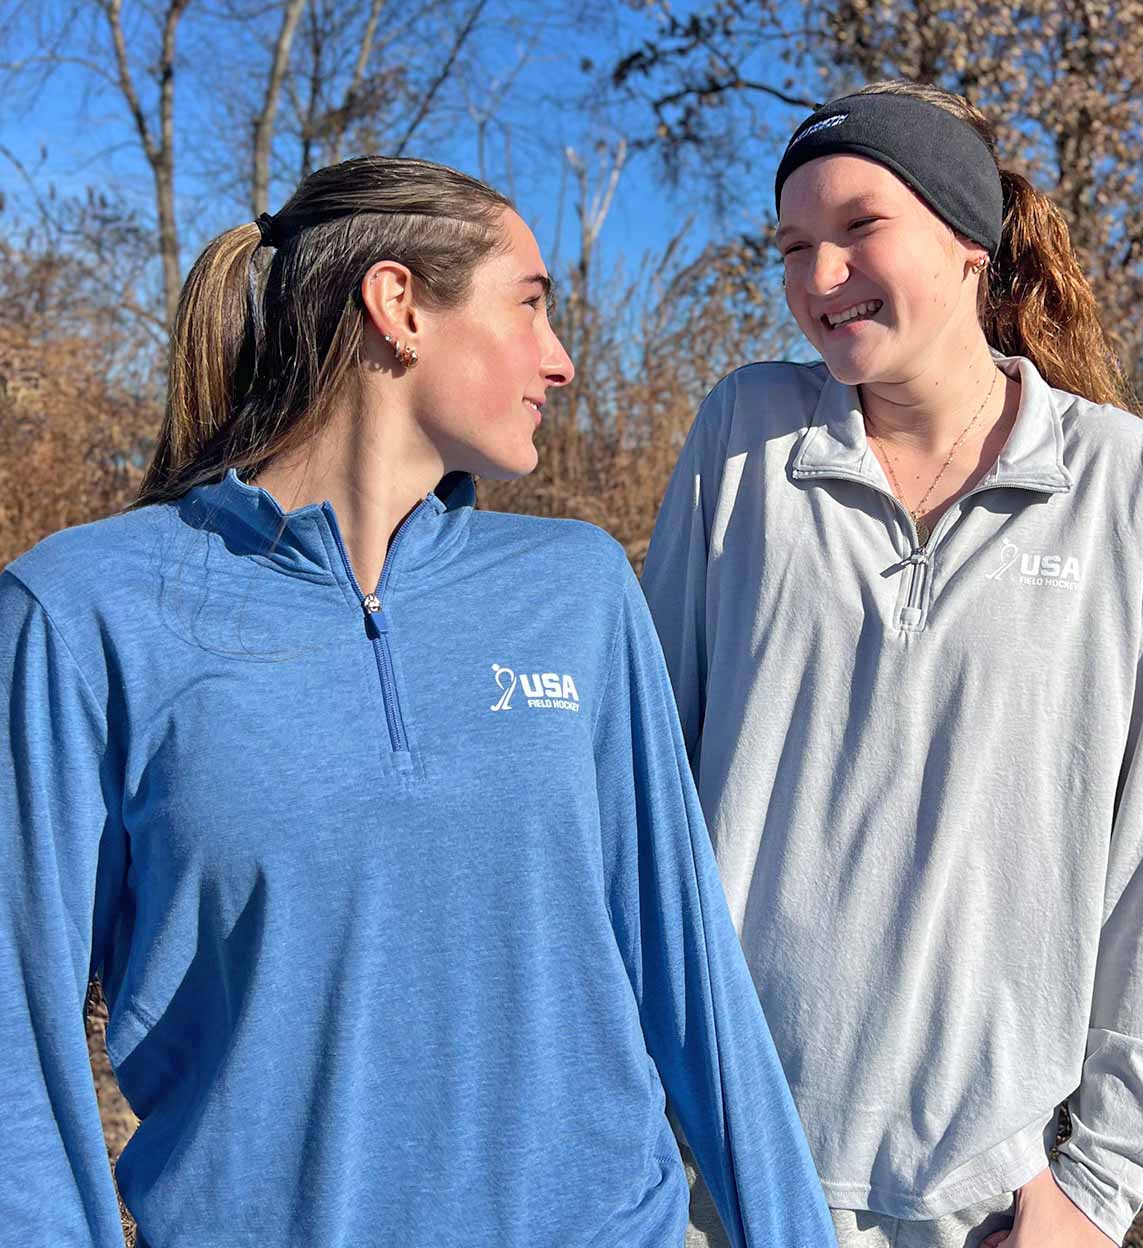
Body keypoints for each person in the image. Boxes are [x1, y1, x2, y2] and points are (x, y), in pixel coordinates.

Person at [0, 155, 838, 1248]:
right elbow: (18, 1038)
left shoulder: (577, 591)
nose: (563, 359)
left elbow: (692, 978)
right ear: (398, 305)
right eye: (531, 304)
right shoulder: (80, 613)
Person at [641, 81, 1143, 1248]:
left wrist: (1100, 1191)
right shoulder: (746, 441)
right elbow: (638, 799)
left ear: (967, 244)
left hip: (994, 1207)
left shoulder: (1120, 481)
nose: (819, 276)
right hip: (723, 1180)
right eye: (793, 248)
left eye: (859, 228)